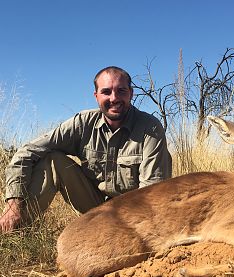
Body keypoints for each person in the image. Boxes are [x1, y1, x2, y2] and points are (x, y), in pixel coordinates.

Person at [0, 66, 172, 233]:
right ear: (96, 96)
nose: (114, 98)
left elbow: (151, 193)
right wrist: (13, 205)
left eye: (121, 91)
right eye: (106, 92)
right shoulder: (82, 122)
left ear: (131, 93)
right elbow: (27, 152)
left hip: (133, 212)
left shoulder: (150, 128)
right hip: (94, 206)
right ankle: (15, 229)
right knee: (53, 160)